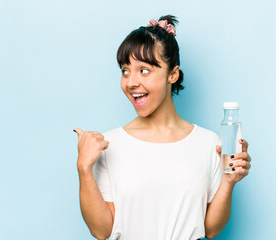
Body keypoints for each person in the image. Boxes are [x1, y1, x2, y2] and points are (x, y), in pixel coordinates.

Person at [74, 15, 252, 240]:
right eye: (125, 70)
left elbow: (211, 229)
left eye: (144, 70)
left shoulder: (208, 144)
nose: (131, 82)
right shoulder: (109, 145)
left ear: (172, 74)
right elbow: (101, 231)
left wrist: (228, 182)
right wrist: (84, 169)